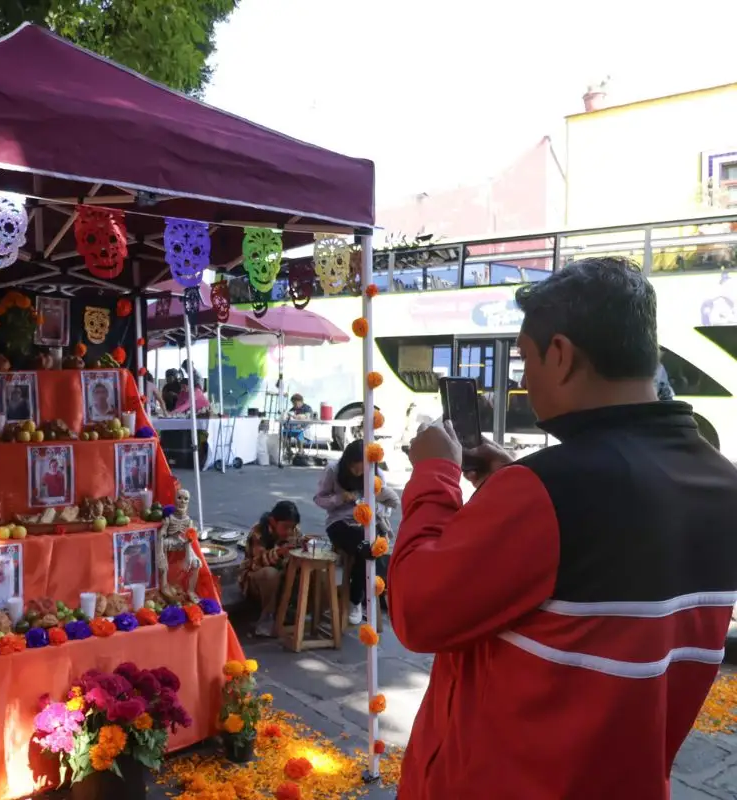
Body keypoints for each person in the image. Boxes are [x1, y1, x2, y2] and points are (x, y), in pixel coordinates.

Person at [390, 257, 737, 800]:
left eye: (525, 360)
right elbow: (602, 551)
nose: (524, 380)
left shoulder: (548, 491)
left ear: (561, 354)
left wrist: (435, 473)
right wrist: (510, 488)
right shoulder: (722, 483)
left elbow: (415, 611)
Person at [314, 440, 399, 625]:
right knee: (365, 547)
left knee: (371, 546)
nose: (359, 474)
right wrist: (338, 498)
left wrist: (374, 509)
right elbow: (319, 499)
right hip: (340, 521)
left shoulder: (376, 474)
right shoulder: (333, 470)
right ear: (347, 463)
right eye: (355, 470)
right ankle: (356, 599)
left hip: (368, 522)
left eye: (363, 470)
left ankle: (358, 597)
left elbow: (388, 505)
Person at [237, 501, 303, 637]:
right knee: (270, 574)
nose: (290, 532)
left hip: (284, 575)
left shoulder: (294, 532)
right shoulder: (258, 532)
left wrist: (303, 548)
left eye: (293, 527)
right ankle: (267, 616)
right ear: (273, 521)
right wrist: (279, 553)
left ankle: (295, 612)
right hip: (255, 579)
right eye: (285, 527)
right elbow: (256, 564)